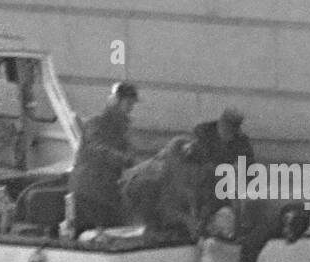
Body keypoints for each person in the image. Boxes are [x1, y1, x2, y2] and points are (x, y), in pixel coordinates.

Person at [68, 82, 138, 236]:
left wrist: (130, 160)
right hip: (88, 189)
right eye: (128, 103)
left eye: (132, 104)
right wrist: (121, 158)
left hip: (108, 190)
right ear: (115, 101)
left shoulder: (123, 128)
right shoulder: (96, 123)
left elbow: (129, 154)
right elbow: (96, 148)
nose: (130, 108)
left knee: (115, 231)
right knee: (95, 233)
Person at [120, 137, 215, 243]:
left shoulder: (200, 170)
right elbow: (165, 207)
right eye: (189, 175)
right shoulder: (156, 176)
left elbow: (196, 197)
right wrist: (187, 220)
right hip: (140, 207)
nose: (194, 178)